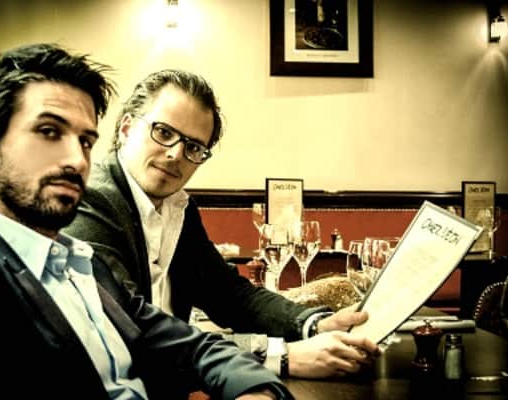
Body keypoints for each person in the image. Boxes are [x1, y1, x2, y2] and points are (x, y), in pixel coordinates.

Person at [0, 43, 293, 400]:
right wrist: (281, 358)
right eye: (49, 132)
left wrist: (255, 386)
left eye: (85, 141)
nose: (77, 160)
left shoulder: (79, 260)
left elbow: (183, 342)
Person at [63, 68, 380, 379]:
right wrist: (281, 356)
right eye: (164, 132)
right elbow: (132, 327)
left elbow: (230, 295)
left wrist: (313, 324)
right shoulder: (91, 200)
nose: (176, 154)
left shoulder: (178, 207)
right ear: (126, 129)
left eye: (193, 147)